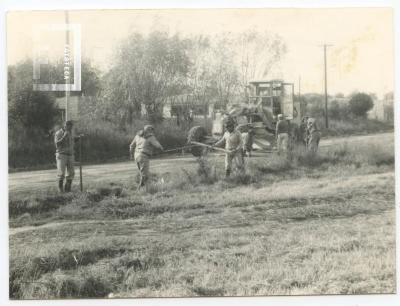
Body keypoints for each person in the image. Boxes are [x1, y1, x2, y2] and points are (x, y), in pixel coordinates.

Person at [54, 120, 75, 192]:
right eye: (69, 126)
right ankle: (60, 190)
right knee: (61, 173)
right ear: (65, 126)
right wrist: (64, 136)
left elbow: (72, 141)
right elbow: (57, 144)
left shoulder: (71, 132)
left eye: (71, 127)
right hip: (61, 155)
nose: (70, 128)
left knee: (71, 173)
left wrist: (78, 138)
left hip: (70, 155)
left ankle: (68, 189)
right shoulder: (59, 133)